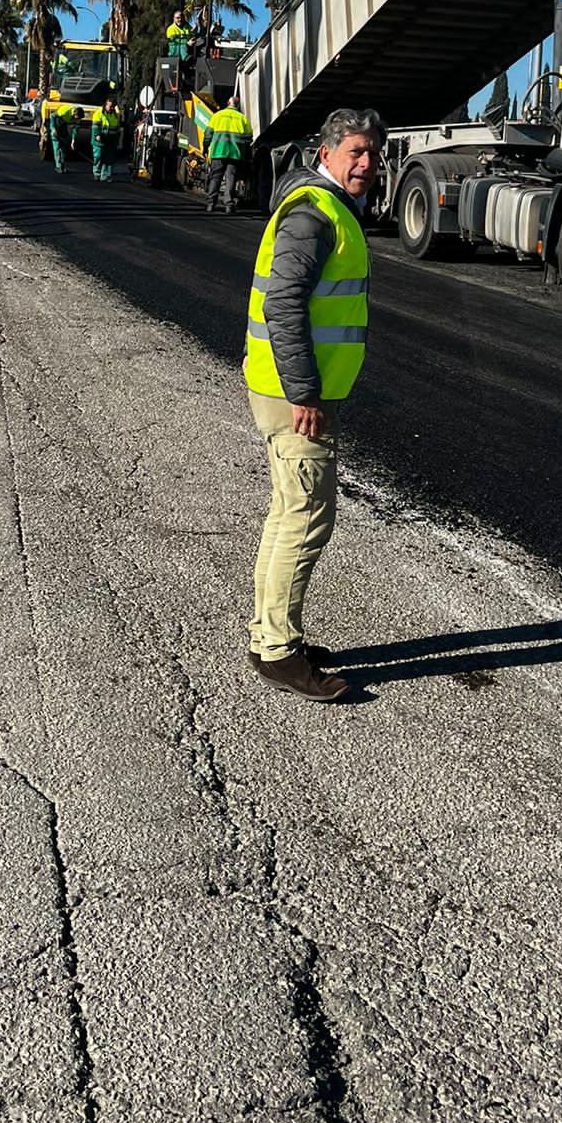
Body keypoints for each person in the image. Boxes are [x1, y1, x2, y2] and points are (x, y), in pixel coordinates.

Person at [243, 106, 386, 702]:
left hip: (290, 389)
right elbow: (284, 304)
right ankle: (279, 651)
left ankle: (269, 636)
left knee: (288, 513)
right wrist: (305, 390)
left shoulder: (328, 209)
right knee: (306, 520)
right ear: (325, 154)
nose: (367, 163)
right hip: (294, 395)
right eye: (355, 151)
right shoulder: (313, 214)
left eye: (373, 153)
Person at [205, 93, 253, 213]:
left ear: (227, 104)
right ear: (238, 106)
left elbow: (208, 134)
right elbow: (249, 138)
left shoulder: (217, 116)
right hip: (235, 154)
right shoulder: (243, 119)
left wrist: (205, 147)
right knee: (230, 179)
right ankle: (229, 205)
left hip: (218, 152)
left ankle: (211, 204)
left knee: (216, 178)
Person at [90, 92, 122, 182]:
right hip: (99, 140)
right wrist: (97, 135)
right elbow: (96, 125)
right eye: (110, 106)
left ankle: (106, 176)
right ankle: (96, 172)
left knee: (109, 158)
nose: (111, 108)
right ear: (105, 104)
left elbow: (117, 128)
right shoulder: (98, 113)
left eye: (113, 106)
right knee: (98, 156)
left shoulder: (115, 115)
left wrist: (117, 141)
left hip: (111, 140)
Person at [48, 98, 76, 172]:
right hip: (56, 126)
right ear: (74, 114)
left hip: (63, 127)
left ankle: (62, 166)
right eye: (76, 118)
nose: (76, 120)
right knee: (57, 148)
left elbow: (75, 129)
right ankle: (58, 166)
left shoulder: (78, 117)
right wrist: (53, 128)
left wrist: (73, 140)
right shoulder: (65, 110)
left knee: (63, 149)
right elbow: (52, 116)